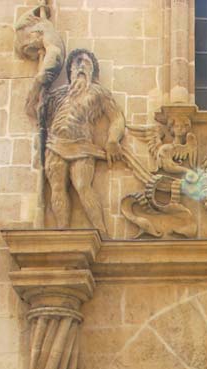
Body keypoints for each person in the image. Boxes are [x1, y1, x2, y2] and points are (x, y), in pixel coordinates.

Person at [42, 49, 125, 234]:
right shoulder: (57, 95)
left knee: (82, 186)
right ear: (70, 69)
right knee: (57, 187)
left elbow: (117, 117)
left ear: (92, 70)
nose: (81, 66)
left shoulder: (98, 92)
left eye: (86, 63)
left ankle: (101, 230)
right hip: (55, 144)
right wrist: (38, 84)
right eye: (77, 62)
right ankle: (62, 230)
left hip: (82, 146)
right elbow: (37, 113)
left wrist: (112, 140)